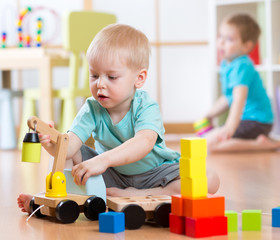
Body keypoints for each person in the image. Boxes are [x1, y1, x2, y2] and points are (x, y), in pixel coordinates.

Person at [18, 24, 219, 214]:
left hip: (155, 174)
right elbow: (69, 148)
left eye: (111, 77)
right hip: (112, 175)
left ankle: (146, 195)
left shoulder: (146, 106)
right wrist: (51, 141)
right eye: (94, 75)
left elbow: (144, 143)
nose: (100, 85)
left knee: (210, 178)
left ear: (139, 78)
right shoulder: (91, 108)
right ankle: (53, 201)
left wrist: (102, 160)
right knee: (72, 153)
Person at [204, 14, 280, 152]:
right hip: (250, 121)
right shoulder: (226, 64)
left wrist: (229, 127)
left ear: (246, 46)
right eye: (220, 36)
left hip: (257, 121)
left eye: (229, 39)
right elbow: (228, 97)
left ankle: (261, 145)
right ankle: (265, 140)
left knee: (210, 144)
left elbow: (239, 98)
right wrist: (209, 115)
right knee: (208, 140)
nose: (221, 42)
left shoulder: (242, 65)